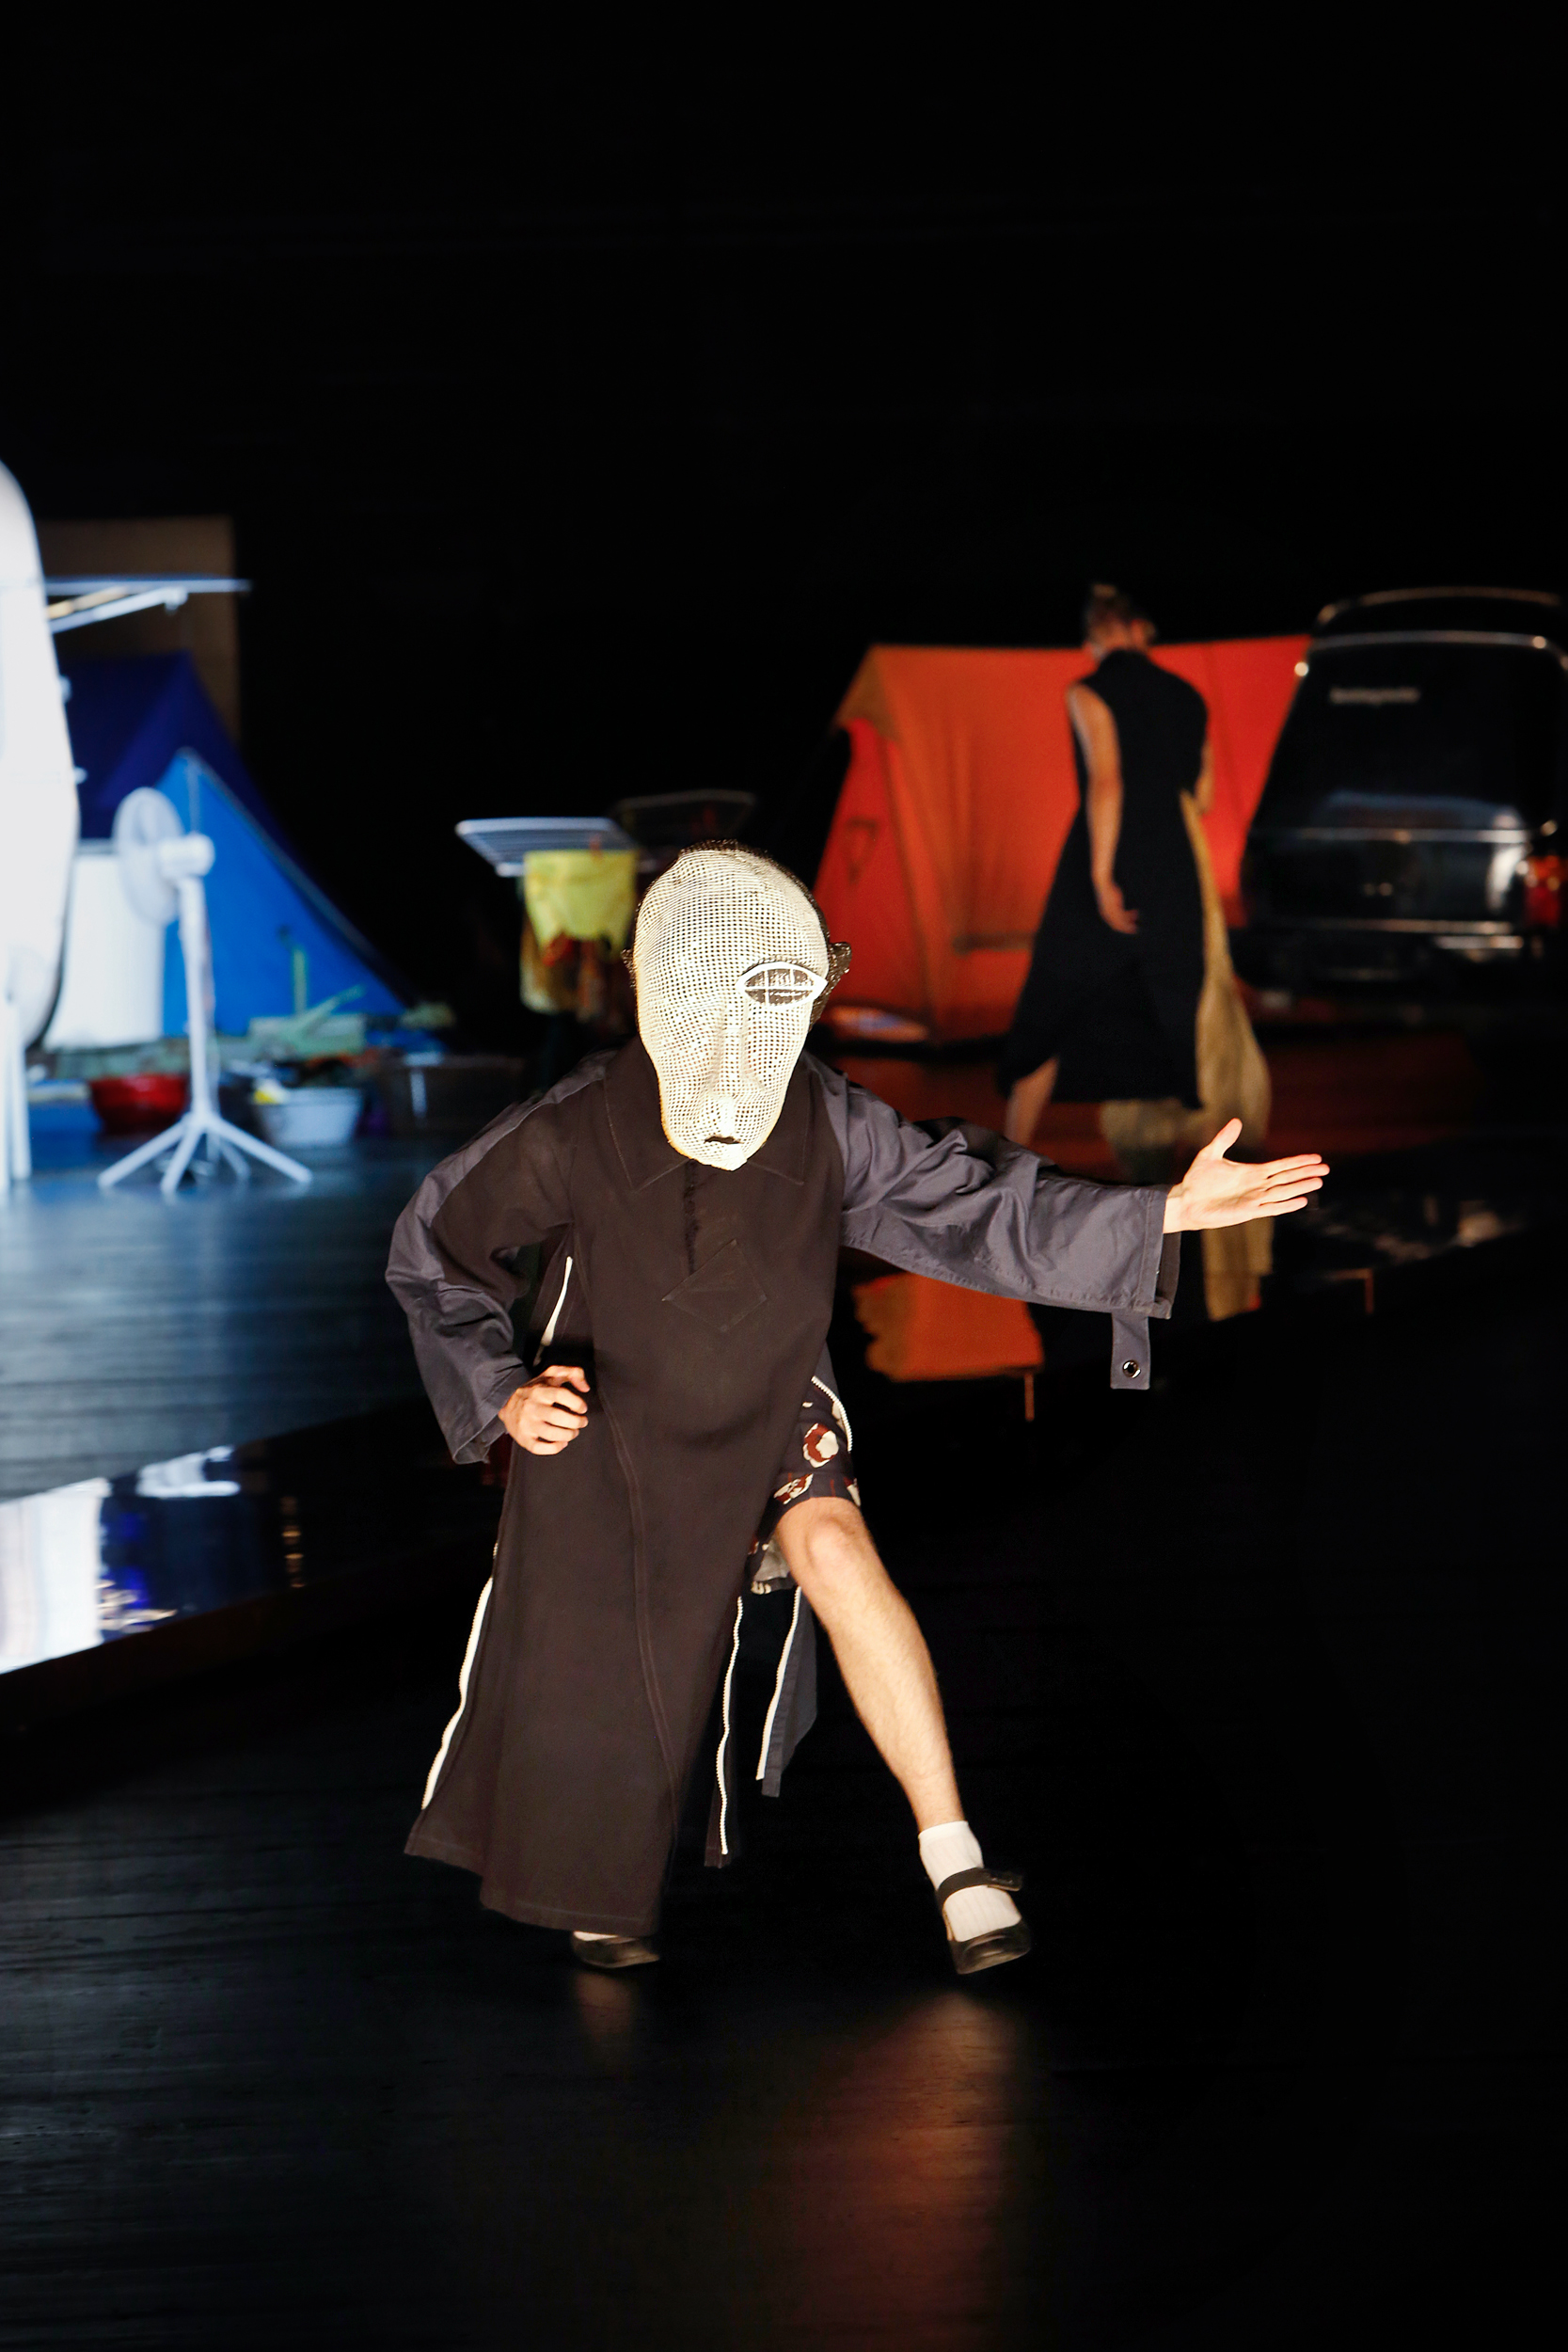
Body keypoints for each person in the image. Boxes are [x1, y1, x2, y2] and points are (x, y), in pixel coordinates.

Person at [388, 845, 1325, 1976]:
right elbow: (435, 1251)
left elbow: (971, 1204)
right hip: (610, 1405)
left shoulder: (825, 1117)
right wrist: (504, 1389)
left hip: (774, 1382)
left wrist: (1159, 1210)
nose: (755, 1026)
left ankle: (954, 1859)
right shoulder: (570, 1126)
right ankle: (598, 1878)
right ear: (673, 990)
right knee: (604, 1634)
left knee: (835, 1547)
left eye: (778, 993)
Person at [1001, 585, 1214, 1151]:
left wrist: (1100, 877)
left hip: (1106, 855)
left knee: (1053, 998)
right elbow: (1203, 795)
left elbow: (1106, 781)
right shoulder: (1188, 696)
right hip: (1171, 862)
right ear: (1142, 630)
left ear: (1094, 639)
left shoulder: (1090, 690)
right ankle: (1172, 1160)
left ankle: (1012, 1154)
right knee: (1166, 1002)